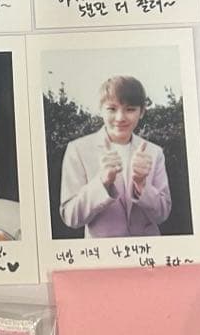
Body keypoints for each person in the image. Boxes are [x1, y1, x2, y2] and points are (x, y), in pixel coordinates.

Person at [58, 75, 171, 237]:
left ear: (142, 112)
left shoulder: (154, 152)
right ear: (100, 109)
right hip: (104, 251)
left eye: (130, 109)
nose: (120, 118)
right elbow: (71, 217)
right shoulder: (78, 150)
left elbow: (163, 214)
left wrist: (142, 185)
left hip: (146, 249)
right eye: (112, 109)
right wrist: (102, 181)